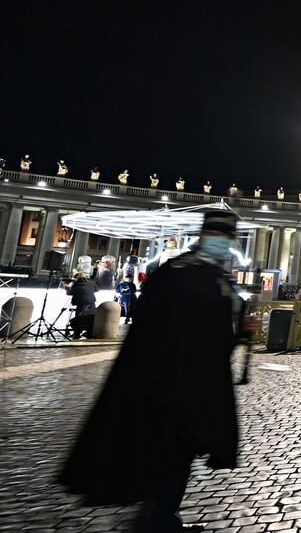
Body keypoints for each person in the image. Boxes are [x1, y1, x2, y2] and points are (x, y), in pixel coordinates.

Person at [59, 209, 253, 532]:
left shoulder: (176, 270)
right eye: (225, 240)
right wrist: (239, 331)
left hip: (154, 377)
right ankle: (158, 520)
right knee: (176, 455)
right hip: (185, 385)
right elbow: (210, 335)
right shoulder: (206, 278)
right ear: (217, 239)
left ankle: (160, 516)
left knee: (170, 453)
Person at [67, 269, 98, 339]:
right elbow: (97, 289)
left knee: (79, 317)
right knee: (91, 317)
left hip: (82, 303)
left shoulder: (75, 284)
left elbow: (69, 293)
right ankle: (89, 332)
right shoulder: (91, 282)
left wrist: (67, 287)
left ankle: (77, 333)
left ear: (76, 278)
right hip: (92, 301)